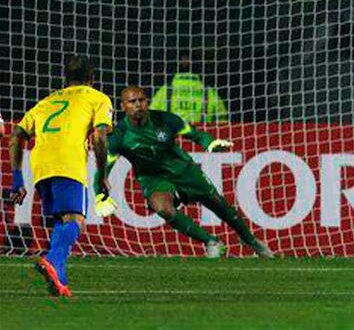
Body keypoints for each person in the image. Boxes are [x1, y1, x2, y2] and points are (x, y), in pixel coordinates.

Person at [102, 86, 272, 258]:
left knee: (218, 204)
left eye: (142, 100)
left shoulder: (165, 119)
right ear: (123, 106)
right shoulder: (118, 135)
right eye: (132, 101)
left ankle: (252, 241)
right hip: (153, 178)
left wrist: (208, 142)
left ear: (147, 102)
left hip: (183, 170)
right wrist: (99, 190)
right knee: (163, 208)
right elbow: (104, 166)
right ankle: (212, 242)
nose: (138, 104)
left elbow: (194, 134)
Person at [9, 55, 113, 297]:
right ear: (92, 78)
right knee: (76, 221)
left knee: (61, 220)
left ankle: (60, 282)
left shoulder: (45, 102)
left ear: (65, 79)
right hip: (67, 162)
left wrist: (17, 179)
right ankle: (53, 261)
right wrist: (103, 174)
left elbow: (16, 136)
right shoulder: (97, 98)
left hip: (41, 165)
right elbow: (99, 136)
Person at [149, 55, 228, 123]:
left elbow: (151, 118)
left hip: (170, 138)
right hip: (200, 138)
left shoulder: (164, 91)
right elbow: (222, 123)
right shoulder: (210, 93)